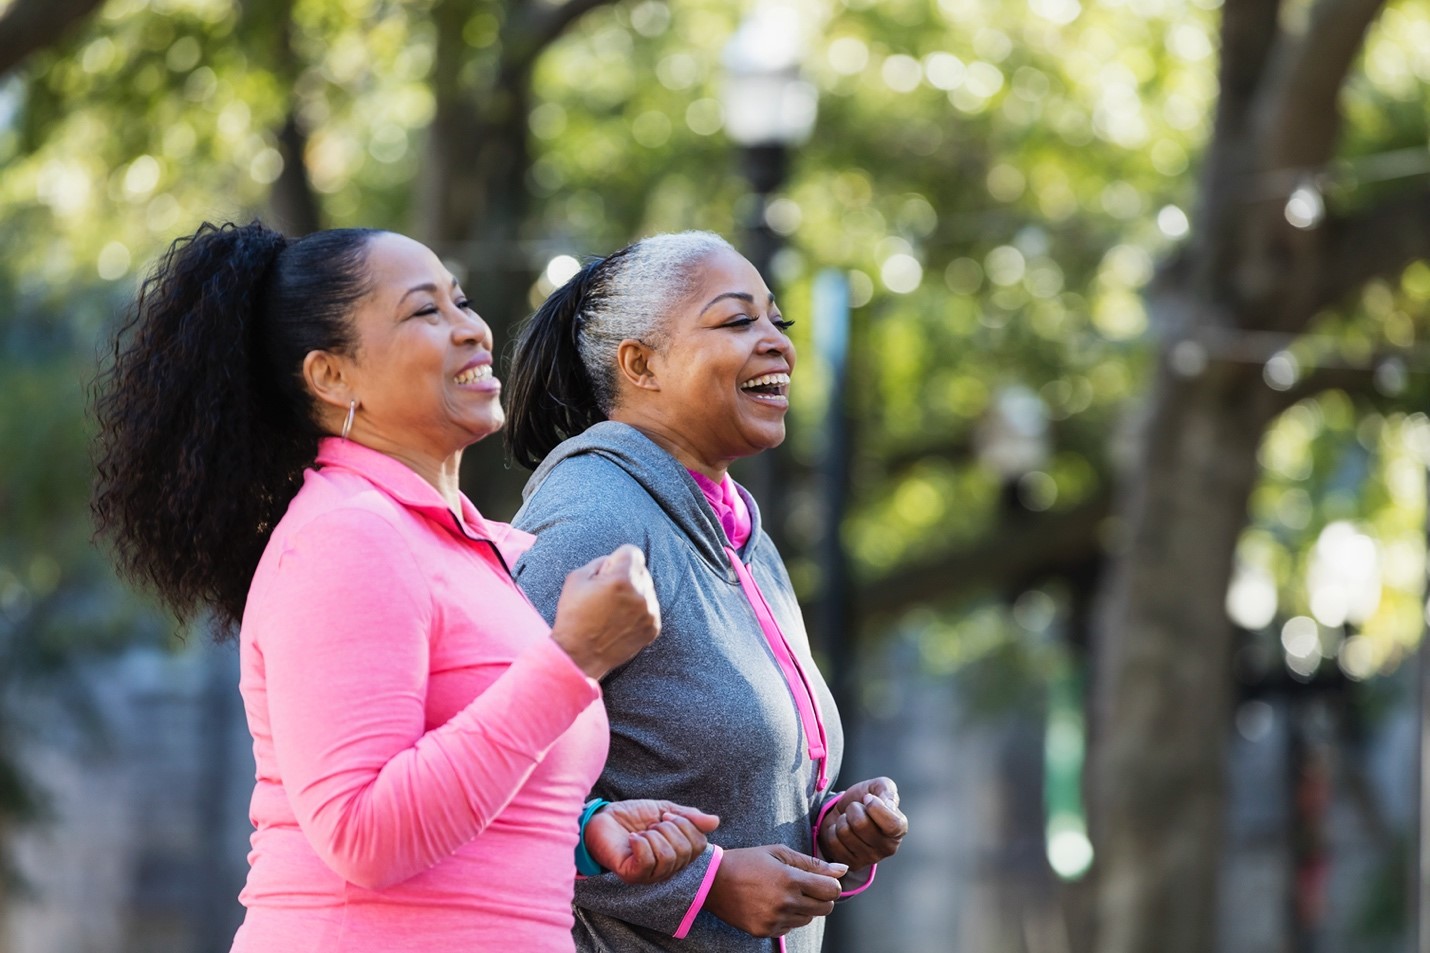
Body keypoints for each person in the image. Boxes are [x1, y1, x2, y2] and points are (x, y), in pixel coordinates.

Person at [91, 221, 720, 952]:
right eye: (427, 311)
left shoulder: (456, 545)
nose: (473, 330)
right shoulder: (348, 536)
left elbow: (458, 786)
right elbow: (363, 832)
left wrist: (576, 828)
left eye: (462, 300)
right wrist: (573, 659)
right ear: (331, 375)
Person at [505, 231, 909, 952]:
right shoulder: (594, 519)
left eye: (777, 323)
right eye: (736, 321)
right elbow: (493, 780)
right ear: (641, 363)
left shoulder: (739, 529)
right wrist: (704, 885)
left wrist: (827, 823)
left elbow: (715, 769)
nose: (777, 344)